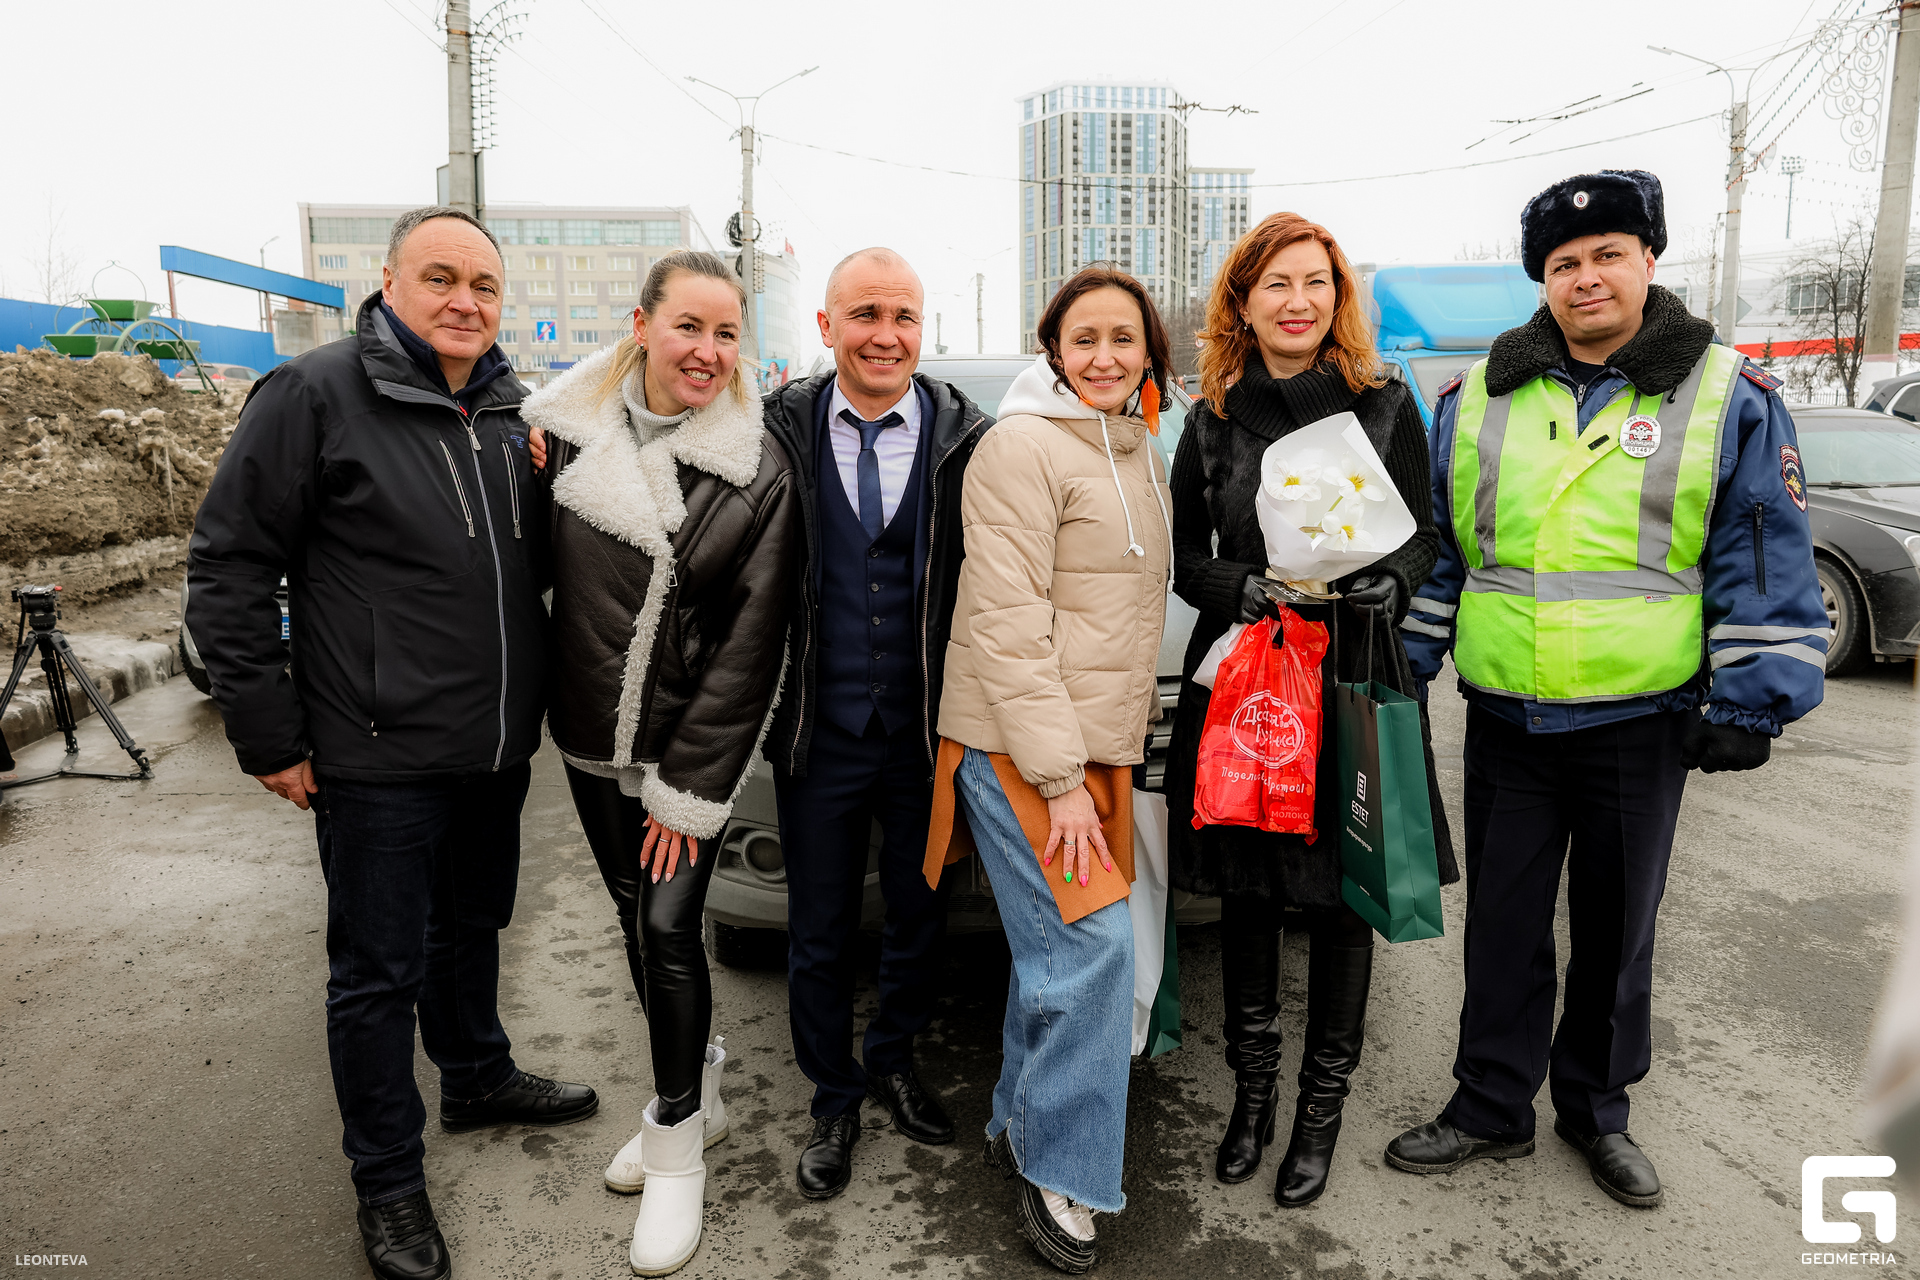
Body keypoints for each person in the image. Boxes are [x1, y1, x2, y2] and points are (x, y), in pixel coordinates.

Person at [1389, 170, 1826, 1208]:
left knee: (1617, 929)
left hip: (1643, 720)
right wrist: (1403, 660)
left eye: (1607, 255)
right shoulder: (1479, 395)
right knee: (1502, 926)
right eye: (1564, 263)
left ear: (1648, 261)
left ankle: (1596, 1110)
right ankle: (1491, 1105)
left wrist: (1753, 696)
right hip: (1508, 714)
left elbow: (1760, 544)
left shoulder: (1725, 392)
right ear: (1542, 278)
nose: (1586, 277)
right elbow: (1447, 549)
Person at [186, 206, 595, 1280]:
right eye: (441, 278)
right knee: (377, 972)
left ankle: (476, 1073)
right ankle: (387, 1178)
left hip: (491, 745)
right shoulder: (315, 393)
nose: (465, 301)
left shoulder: (508, 409)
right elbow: (230, 563)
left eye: (484, 285)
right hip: (375, 753)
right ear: (390, 282)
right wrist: (268, 733)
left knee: (472, 925)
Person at [1162, 212, 1458, 1208]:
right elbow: (1183, 554)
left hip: (1354, 673)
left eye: (1316, 282)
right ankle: (1252, 1097)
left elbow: (1425, 536)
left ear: (1339, 297)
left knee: (1344, 896)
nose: (1298, 301)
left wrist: (1394, 582)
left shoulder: (1384, 403)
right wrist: (1236, 585)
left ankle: (1318, 1112)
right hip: (1250, 676)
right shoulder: (1211, 417)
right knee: (1248, 891)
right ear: (1243, 302)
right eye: (1277, 284)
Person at [520, 250, 799, 1276]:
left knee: (670, 927)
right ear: (641, 325)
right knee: (633, 919)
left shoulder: (758, 466)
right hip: (593, 738)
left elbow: (751, 646)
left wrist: (689, 792)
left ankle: (677, 1141)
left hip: (688, 752)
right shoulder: (563, 433)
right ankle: (704, 1087)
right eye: (689, 326)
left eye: (727, 333)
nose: (709, 351)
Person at [924, 264, 1173, 1273]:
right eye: (1085, 340)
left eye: (1124, 338)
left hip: (1091, 742)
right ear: (1056, 352)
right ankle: (1062, 1166)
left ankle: (1020, 1120)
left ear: (1149, 351)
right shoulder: (1020, 446)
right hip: (1023, 747)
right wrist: (1062, 780)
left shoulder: (1138, 445)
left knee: (1057, 950)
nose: (1105, 356)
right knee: (1092, 948)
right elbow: (1006, 621)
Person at [757, 249, 992, 1199]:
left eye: (903, 316)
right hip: (819, 729)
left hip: (927, 731)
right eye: (864, 314)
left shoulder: (968, 440)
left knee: (919, 912)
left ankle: (893, 1057)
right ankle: (832, 1095)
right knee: (815, 927)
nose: (885, 335)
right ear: (826, 326)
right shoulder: (772, 433)